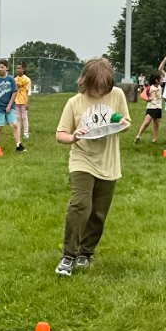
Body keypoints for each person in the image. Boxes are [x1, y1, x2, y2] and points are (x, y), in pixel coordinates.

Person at [54, 57, 130, 276]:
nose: (99, 92)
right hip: (82, 159)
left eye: (103, 87)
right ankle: (68, 255)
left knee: (98, 212)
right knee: (80, 204)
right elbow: (60, 134)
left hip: (109, 162)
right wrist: (73, 137)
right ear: (85, 81)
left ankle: (86, 253)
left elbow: (126, 122)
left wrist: (122, 124)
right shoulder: (74, 103)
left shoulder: (117, 95)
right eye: (95, 86)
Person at [0, 59, 23, 152]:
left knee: (14, 125)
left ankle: (19, 145)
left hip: (10, 107)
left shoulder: (10, 79)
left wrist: (9, 105)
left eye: (2, 67)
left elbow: (14, 92)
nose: (0, 69)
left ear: (6, 68)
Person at [135, 61, 166, 144]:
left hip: (158, 107)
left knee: (156, 124)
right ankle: (138, 135)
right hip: (151, 107)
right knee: (146, 122)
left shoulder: (160, 87)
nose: (162, 80)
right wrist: (148, 99)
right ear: (156, 80)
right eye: (161, 79)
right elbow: (142, 95)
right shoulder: (150, 87)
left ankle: (155, 138)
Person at [13, 62, 33, 139]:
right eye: (17, 68)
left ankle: (26, 133)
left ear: (23, 69)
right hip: (16, 100)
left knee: (24, 117)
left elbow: (28, 91)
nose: (18, 70)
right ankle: (17, 132)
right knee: (17, 117)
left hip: (24, 100)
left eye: (19, 68)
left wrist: (27, 102)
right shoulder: (15, 79)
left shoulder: (27, 79)